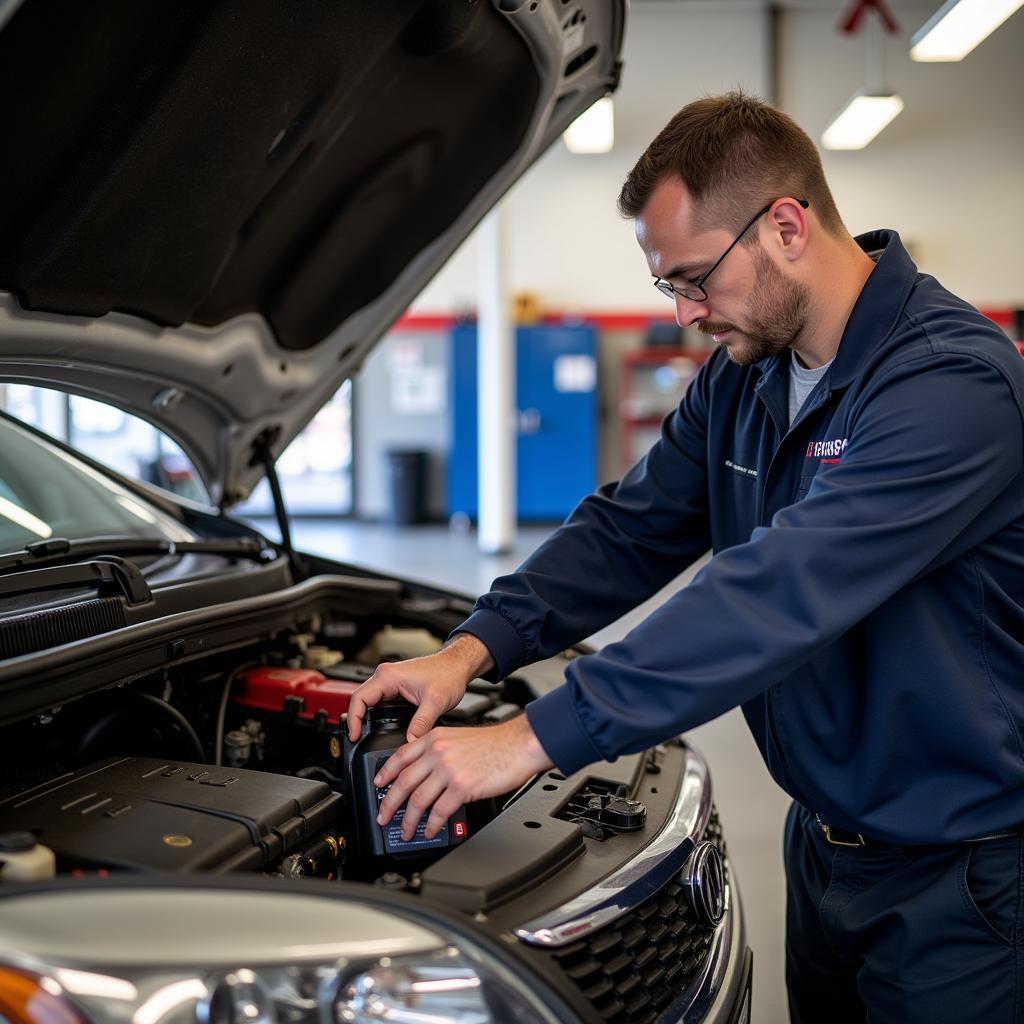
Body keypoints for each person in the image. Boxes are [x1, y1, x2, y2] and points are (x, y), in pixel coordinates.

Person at [348, 92, 1024, 1021]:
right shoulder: (747, 379)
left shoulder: (954, 385)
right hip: (824, 850)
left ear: (786, 226)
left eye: (696, 278)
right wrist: (471, 649)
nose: (687, 313)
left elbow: (774, 595)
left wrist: (528, 739)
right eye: (672, 286)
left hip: (966, 878)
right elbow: (632, 528)